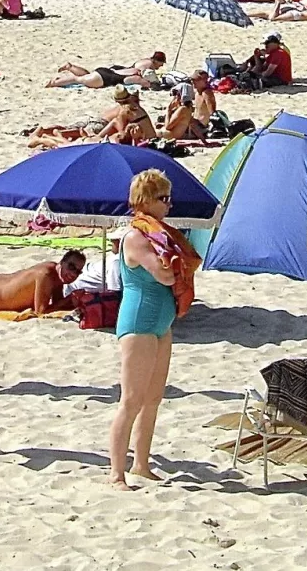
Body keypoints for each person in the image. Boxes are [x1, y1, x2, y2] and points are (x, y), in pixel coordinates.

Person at [108, 169, 200, 489]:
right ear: (146, 201)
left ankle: (142, 463)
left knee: (153, 397)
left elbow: (176, 268)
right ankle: (116, 473)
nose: (169, 205)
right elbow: (164, 275)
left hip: (161, 322)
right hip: (139, 322)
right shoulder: (136, 237)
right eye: (163, 199)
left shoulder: (161, 235)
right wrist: (177, 265)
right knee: (131, 399)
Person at [45, 52, 166, 89]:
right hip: (103, 79)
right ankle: (54, 82)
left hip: (106, 71)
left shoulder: (135, 69)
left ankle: (70, 67)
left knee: (87, 75)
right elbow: (147, 84)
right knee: (79, 80)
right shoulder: (138, 76)